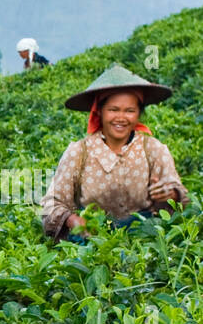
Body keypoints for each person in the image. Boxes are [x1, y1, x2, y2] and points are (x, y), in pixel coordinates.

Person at [40, 64, 190, 242]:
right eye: (113, 110)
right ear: (100, 112)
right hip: (93, 238)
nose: (121, 117)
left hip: (144, 236)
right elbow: (53, 203)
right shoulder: (79, 151)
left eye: (130, 111)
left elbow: (182, 199)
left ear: (138, 114)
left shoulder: (154, 150)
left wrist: (170, 194)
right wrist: (75, 222)